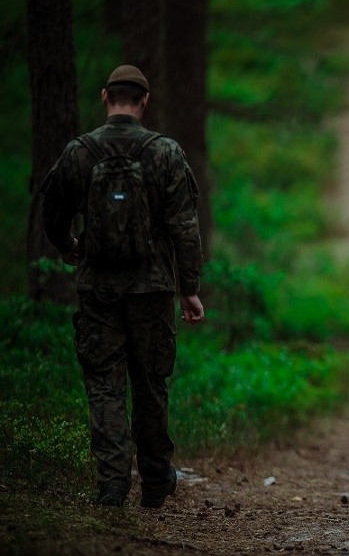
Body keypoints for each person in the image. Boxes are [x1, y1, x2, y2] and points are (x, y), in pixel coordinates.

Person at [40, 65, 204, 509]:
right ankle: (154, 481)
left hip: (98, 291)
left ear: (104, 97)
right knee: (150, 385)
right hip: (152, 291)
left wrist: (68, 245)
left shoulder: (80, 151)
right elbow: (185, 228)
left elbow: (52, 210)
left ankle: (112, 486)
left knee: (105, 386)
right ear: (144, 101)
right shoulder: (165, 152)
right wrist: (189, 288)